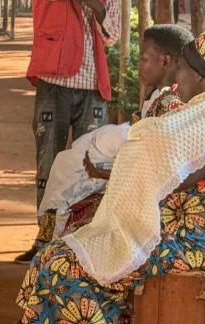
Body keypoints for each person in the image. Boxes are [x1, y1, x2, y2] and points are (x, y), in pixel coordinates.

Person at [16, 23, 205, 323]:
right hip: (171, 232)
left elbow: (167, 166)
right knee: (56, 258)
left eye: (181, 68)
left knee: (60, 266)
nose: (177, 79)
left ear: (198, 74)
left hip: (187, 240)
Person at [18, 0, 141, 263]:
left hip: (91, 89)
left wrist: (99, 9)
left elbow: (114, 35)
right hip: (53, 85)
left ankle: (82, 242)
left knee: (92, 166)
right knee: (47, 165)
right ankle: (44, 242)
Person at [31, 25, 195, 246]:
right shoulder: (160, 96)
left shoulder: (168, 103)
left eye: (144, 59)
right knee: (67, 165)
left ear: (165, 61)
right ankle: (50, 236)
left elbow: (152, 165)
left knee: (66, 169)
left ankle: (50, 239)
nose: (140, 66)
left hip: (133, 180)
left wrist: (104, 173)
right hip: (123, 164)